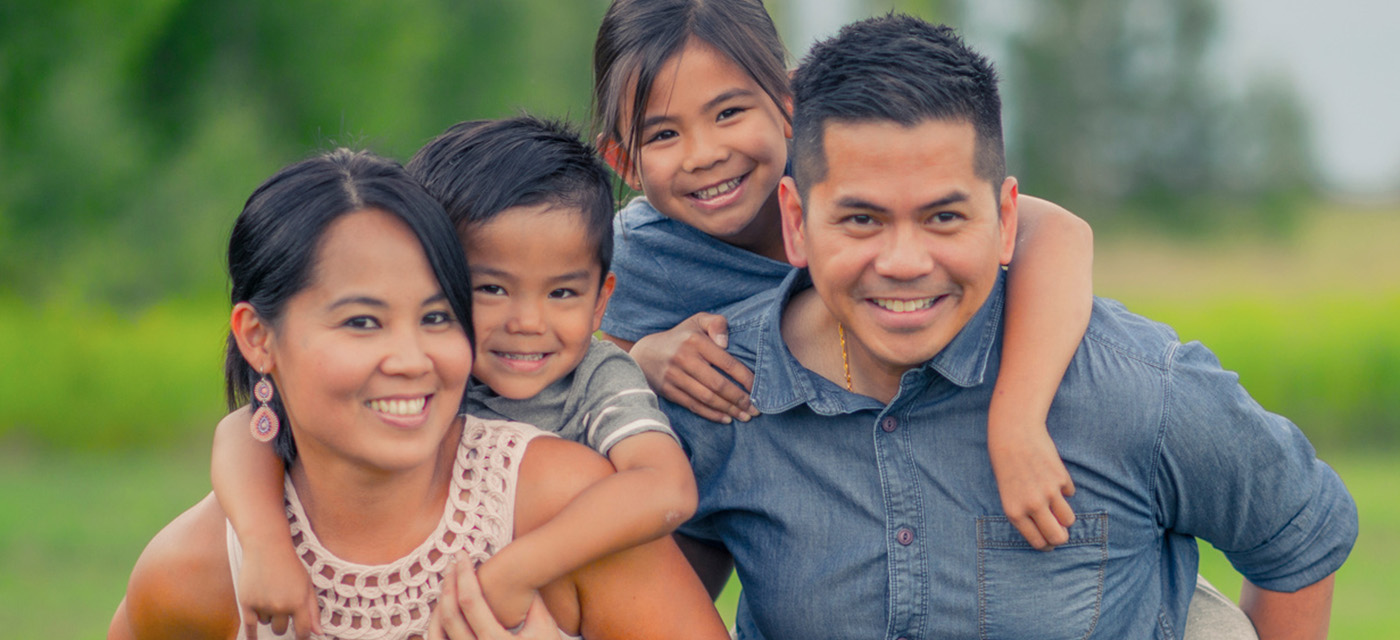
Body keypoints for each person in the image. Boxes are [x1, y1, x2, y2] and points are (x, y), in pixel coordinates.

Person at [666, 15, 1358, 639]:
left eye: (944, 217)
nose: (904, 262)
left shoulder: (1138, 388)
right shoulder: (717, 394)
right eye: (861, 219)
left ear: (1005, 220)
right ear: (795, 221)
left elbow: (1297, 533)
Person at [109, 148, 729, 639]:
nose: (412, 361)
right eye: (361, 322)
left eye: (436, 317)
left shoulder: (567, 506)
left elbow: (663, 487)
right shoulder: (200, 568)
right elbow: (248, 426)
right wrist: (264, 543)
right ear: (257, 337)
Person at [590, 0, 1094, 556]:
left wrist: (1017, 421)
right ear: (624, 161)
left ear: (787, 106)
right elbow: (590, 387)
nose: (705, 154)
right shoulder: (634, 258)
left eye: (728, 113)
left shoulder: (831, 170)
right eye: (663, 135)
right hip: (791, 490)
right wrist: (640, 361)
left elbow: (1057, 233)